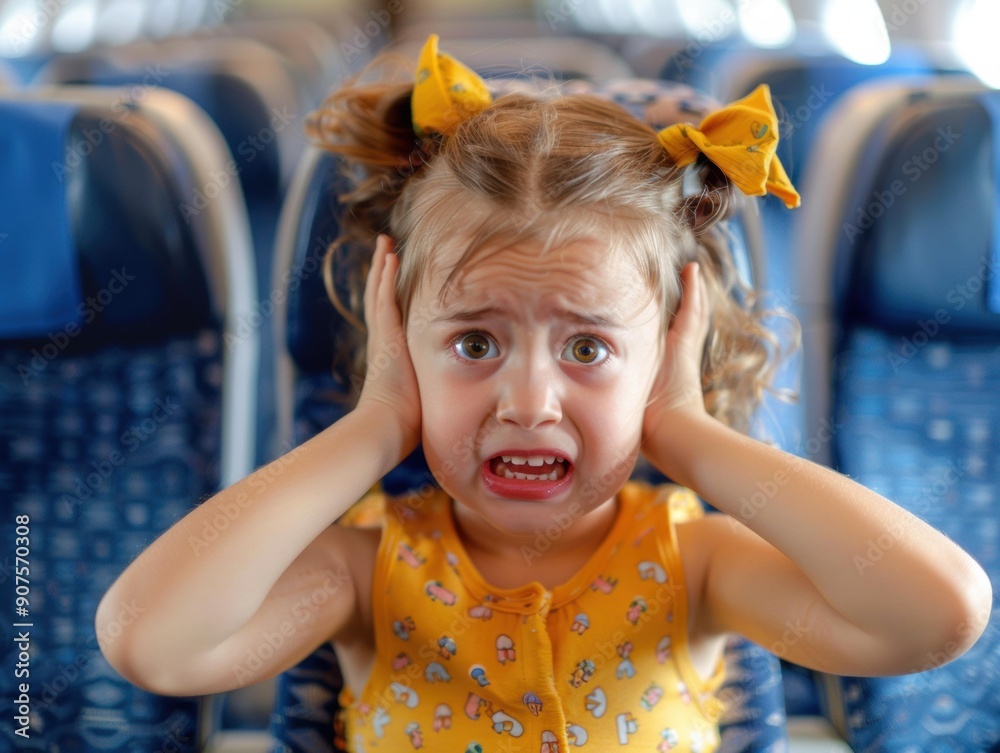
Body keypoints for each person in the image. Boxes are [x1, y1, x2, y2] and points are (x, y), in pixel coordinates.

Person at [96, 35, 992, 753]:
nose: (529, 401)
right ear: (401, 344)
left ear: (670, 346)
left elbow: (939, 613)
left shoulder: (700, 568)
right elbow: (149, 640)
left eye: (591, 346)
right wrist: (375, 426)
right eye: (475, 342)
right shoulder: (367, 574)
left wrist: (686, 430)